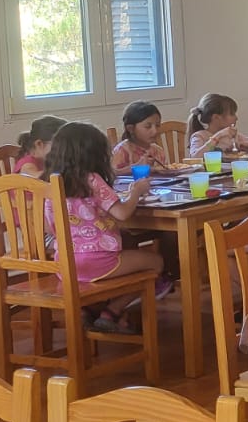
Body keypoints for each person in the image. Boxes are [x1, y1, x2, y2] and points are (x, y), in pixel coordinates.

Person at [42, 122, 166, 334]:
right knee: (156, 263)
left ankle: (91, 309)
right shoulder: (92, 179)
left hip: (65, 263)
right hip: (99, 261)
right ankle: (112, 312)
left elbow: (48, 227)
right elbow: (122, 213)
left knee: (128, 242)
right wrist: (136, 192)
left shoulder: (50, 183)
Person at [187, 93, 248, 157]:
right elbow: (195, 157)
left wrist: (246, 144)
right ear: (216, 117)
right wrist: (217, 137)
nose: (236, 118)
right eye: (232, 114)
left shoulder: (233, 135)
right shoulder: (200, 136)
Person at [110, 102, 170, 174]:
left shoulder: (158, 151)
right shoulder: (122, 151)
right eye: (148, 126)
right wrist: (137, 167)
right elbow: (112, 175)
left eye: (157, 125)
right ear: (130, 128)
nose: (155, 131)